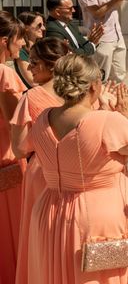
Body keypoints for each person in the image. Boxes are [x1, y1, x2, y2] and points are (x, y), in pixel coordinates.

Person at [26, 54, 128, 283]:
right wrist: (124, 112)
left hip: (50, 211)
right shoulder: (107, 121)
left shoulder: (43, 118)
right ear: (94, 85)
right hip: (95, 216)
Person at [10, 38, 69, 284]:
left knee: (40, 238)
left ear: (51, 66)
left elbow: (20, 148)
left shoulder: (32, 97)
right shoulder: (84, 94)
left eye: (34, 62)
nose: (29, 67)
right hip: (74, 171)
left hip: (42, 171)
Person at [0, 10, 27, 283]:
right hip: (8, 169)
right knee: (11, 242)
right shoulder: (4, 76)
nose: (22, 44)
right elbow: (15, 124)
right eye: (18, 38)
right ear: (3, 40)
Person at [14, 11, 45, 88]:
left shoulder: (41, 47)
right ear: (26, 27)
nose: (44, 28)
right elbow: (33, 82)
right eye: (39, 25)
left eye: (43, 24)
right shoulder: (21, 51)